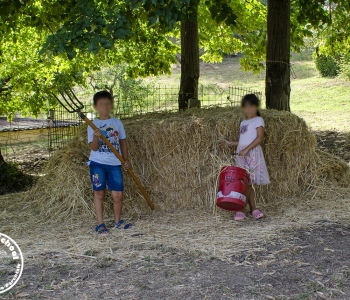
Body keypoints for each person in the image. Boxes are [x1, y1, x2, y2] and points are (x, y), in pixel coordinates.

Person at [87, 91, 131, 234]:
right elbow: (93, 147)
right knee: (99, 193)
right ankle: (100, 224)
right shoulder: (93, 125)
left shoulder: (117, 123)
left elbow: (123, 142)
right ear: (95, 106)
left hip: (114, 164)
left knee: (118, 195)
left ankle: (117, 221)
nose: (105, 106)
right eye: (101, 104)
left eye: (107, 103)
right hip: (97, 164)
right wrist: (96, 137)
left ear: (111, 105)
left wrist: (125, 160)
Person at [223, 94, 270, 221]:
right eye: (246, 107)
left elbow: (259, 138)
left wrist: (247, 150)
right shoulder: (243, 122)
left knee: (249, 183)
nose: (248, 109)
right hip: (242, 154)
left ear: (256, 107)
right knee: (243, 182)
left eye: (251, 106)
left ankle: (243, 208)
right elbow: (244, 140)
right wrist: (233, 144)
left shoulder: (258, 120)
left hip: (252, 154)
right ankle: (252, 209)